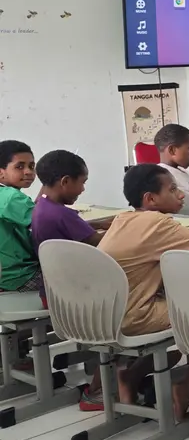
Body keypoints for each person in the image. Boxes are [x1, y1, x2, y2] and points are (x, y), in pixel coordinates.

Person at [98, 164, 189, 415]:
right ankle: (185, 388)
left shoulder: (122, 218)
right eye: (173, 189)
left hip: (106, 312)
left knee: (187, 306)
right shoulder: (157, 223)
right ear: (150, 199)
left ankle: (131, 376)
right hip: (135, 316)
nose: (181, 195)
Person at [31, 150, 114, 409]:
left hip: (59, 294)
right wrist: (128, 226)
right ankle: (101, 389)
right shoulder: (61, 215)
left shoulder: (43, 205)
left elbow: (77, 226)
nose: (83, 189)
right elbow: (105, 244)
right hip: (83, 298)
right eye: (82, 182)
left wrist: (102, 222)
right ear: (66, 181)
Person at [0, 140, 39, 293]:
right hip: (20, 276)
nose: (29, 171)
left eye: (31, 166)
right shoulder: (11, 198)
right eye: (20, 166)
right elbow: (48, 222)